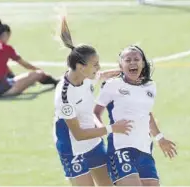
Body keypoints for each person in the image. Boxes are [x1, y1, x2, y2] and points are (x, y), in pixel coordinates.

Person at [54, 15, 133, 186]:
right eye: (95, 64)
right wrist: (112, 128)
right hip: (73, 149)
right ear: (81, 67)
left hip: (94, 142)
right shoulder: (65, 96)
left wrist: (124, 72)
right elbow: (79, 134)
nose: (99, 68)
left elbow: (101, 75)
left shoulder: (86, 76)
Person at [94, 45, 177, 186]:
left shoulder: (150, 86)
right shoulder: (112, 85)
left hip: (144, 150)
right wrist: (104, 129)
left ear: (143, 63)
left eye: (136, 59)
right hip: (121, 149)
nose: (132, 62)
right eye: (128, 60)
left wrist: (160, 138)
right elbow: (95, 113)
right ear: (121, 65)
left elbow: (146, 114)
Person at [0, 18, 59, 98]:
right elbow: (25, 65)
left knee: (10, 76)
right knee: (38, 74)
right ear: (6, 34)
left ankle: (14, 82)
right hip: (1, 90)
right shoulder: (5, 48)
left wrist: (13, 77)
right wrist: (39, 70)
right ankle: (55, 82)